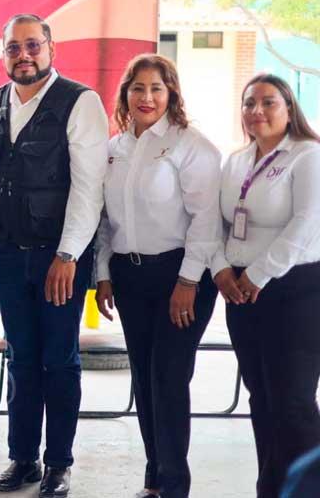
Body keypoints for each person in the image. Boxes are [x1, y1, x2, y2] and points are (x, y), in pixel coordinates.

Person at [0, 14, 109, 498]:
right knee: (20, 358)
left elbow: (89, 187)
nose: (24, 55)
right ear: (4, 55)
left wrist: (68, 254)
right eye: (13, 48)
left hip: (60, 258)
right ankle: (23, 459)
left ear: (51, 49)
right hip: (10, 252)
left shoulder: (80, 101)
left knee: (60, 360)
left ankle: (59, 464)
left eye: (32, 45)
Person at [94, 54, 222, 498]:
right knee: (145, 379)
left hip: (181, 277)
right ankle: (155, 480)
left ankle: (174, 486)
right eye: (137, 88)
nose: (146, 97)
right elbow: (105, 220)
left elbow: (207, 219)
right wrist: (103, 273)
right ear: (125, 94)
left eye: (156, 88)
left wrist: (187, 283)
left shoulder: (191, 145)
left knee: (168, 378)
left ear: (172, 94)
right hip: (130, 279)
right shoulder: (114, 149)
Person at [211, 73, 320, 498]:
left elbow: (306, 224)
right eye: (249, 103)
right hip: (240, 293)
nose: (257, 110)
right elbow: (217, 223)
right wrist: (222, 269)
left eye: (268, 102)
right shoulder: (237, 160)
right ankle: (271, 488)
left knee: (293, 403)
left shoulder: (307, 155)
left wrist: (257, 274)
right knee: (261, 398)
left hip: (296, 292)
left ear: (289, 109)